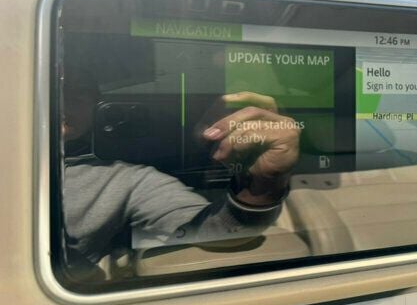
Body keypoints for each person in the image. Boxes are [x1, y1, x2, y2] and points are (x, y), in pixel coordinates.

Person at [62, 69, 301, 280]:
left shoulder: (127, 180)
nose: (64, 101)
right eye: (57, 88)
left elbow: (217, 232)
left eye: (80, 92)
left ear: (96, 107)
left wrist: (264, 182)